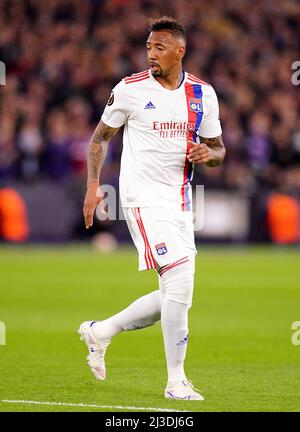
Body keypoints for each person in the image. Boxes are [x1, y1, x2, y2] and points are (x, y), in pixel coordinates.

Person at [79, 16, 225, 401]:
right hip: (141, 198)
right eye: (148, 47)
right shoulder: (129, 89)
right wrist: (93, 185)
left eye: (159, 48)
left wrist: (208, 153)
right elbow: (99, 140)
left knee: (178, 293)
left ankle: (101, 331)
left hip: (180, 202)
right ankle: (175, 381)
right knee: (178, 277)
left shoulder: (202, 94)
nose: (151, 54)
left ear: (180, 50)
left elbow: (219, 149)